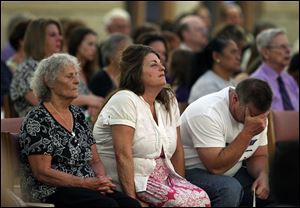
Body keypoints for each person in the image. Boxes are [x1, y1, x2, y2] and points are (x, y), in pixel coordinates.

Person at [93, 45, 211, 207]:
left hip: (165, 177)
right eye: (153, 65)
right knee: (183, 202)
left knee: (201, 198)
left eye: (161, 63)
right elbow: (122, 155)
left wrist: (182, 184)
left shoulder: (168, 99)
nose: (162, 67)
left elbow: (177, 148)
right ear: (136, 71)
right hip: (136, 179)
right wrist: (131, 200)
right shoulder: (125, 100)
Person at [18, 53, 140, 207]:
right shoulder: (37, 119)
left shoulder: (78, 115)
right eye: (69, 76)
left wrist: (101, 180)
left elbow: (95, 160)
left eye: (76, 75)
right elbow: (42, 172)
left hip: (86, 186)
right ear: (49, 81)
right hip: (52, 190)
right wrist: (83, 183)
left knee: (131, 205)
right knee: (107, 206)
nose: (77, 81)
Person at [181, 78, 276, 207]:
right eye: (252, 115)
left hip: (233, 170)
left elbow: (259, 155)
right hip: (191, 171)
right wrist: (247, 132)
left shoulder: (258, 115)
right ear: (235, 99)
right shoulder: (206, 113)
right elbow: (216, 167)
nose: (259, 121)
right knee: (230, 189)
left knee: (276, 186)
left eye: (263, 116)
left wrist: (263, 175)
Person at [9, 18, 63, 117]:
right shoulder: (26, 69)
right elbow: (47, 105)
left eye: (59, 34)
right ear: (38, 39)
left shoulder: (56, 66)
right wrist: (88, 100)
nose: (60, 38)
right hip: (39, 128)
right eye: (52, 35)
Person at [250, 28, 299, 111]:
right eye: (282, 47)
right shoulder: (257, 82)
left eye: (288, 46)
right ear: (266, 52)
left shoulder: (289, 79)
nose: (288, 50)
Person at [188, 38, 240, 104]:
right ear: (216, 56)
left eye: (237, 52)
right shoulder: (207, 85)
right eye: (233, 52)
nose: (238, 57)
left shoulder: (233, 82)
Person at [89, 33, 132, 98]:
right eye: (122, 49)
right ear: (110, 54)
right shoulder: (100, 78)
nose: (128, 54)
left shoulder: (131, 76)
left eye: (129, 50)